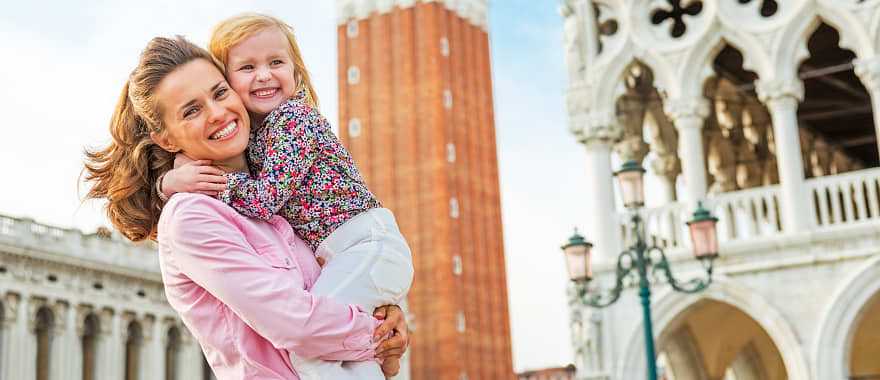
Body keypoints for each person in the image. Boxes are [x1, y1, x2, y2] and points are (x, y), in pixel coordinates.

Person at [83, 35, 408, 379]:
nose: (218, 113)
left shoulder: (278, 193)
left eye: (220, 92)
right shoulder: (192, 217)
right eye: (192, 110)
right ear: (166, 139)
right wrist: (375, 334)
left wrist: (382, 311)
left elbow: (336, 293)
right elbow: (295, 324)